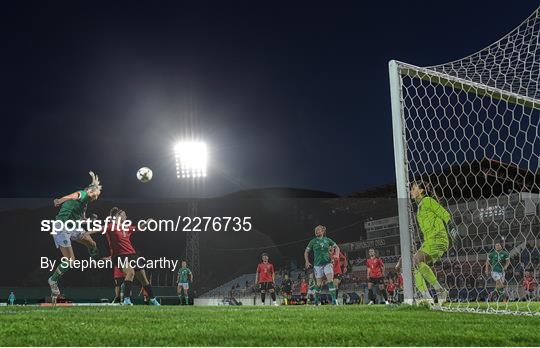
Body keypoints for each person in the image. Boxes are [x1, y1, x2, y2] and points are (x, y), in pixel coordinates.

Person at [48, 172, 102, 302]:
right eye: (96, 194)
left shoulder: (85, 203)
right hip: (62, 226)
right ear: (90, 190)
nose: (96, 197)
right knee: (70, 260)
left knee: (92, 244)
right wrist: (59, 201)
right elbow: (73, 195)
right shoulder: (82, 194)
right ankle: (53, 280)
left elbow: (82, 219)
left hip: (73, 226)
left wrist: (90, 220)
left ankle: (96, 261)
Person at [100, 207, 160, 306]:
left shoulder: (126, 227)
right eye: (124, 214)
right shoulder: (111, 226)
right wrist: (85, 234)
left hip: (132, 254)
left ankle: (153, 300)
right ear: (118, 216)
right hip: (120, 256)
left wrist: (146, 222)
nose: (126, 216)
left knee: (144, 279)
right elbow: (99, 229)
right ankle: (126, 299)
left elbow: (138, 228)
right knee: (130, 272)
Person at [410, 182, 451, 304]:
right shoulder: (419, 209)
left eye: (413, 188)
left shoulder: (427, 200)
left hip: (438, 238)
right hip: (429, 242)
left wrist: (452, 229)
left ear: (421, 190)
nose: (411, 191)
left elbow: (445, 214)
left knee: (416, 260)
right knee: (414, 265)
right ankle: (427, 297)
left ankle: (438, 291)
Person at [304, 225, 339, 305]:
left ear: (323, 231)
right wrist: (307, 261)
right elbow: (306, 252)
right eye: (315, 230)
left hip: (327, 263)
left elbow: (336, 247)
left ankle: (334, 301)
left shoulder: (328, 240)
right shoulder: (313, 241)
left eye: (318, 230)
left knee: (330, 280)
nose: (316, 231)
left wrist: (336, 255)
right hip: (317, 265)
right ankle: (316, 301)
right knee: (319, 284)